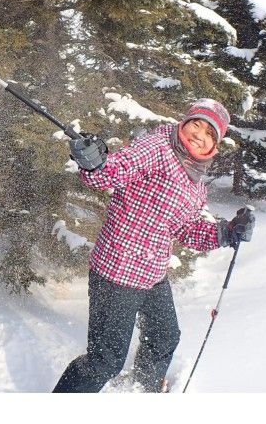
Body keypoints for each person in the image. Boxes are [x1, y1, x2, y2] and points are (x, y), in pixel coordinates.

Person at [52, 99, 255, 393]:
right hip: (118, 272)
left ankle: (141, 392)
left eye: (210, 132)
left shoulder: (196, 179)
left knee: (164, 337)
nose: (200, 134)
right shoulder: (158, 147)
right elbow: (115, 171)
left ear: (216, 142)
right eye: (196, 123)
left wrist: (227, 232)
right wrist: (95, 163)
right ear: (185, 123)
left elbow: (186, 228)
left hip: (152, 271)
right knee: (105, 361)